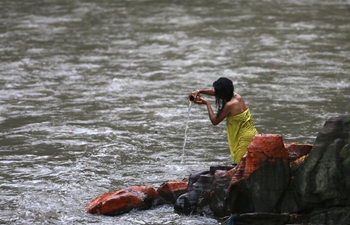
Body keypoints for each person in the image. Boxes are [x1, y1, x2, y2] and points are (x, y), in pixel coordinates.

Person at [190, 77, 258, 164]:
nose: (216, 93)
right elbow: (216, 92)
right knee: (248, 163)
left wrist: (207, 103)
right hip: (252, 133)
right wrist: (200, 91)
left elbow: (215, 121)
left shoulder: (230, 105)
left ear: (223, 92)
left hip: (243, 138)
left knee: (240, 164)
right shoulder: (237, 96)